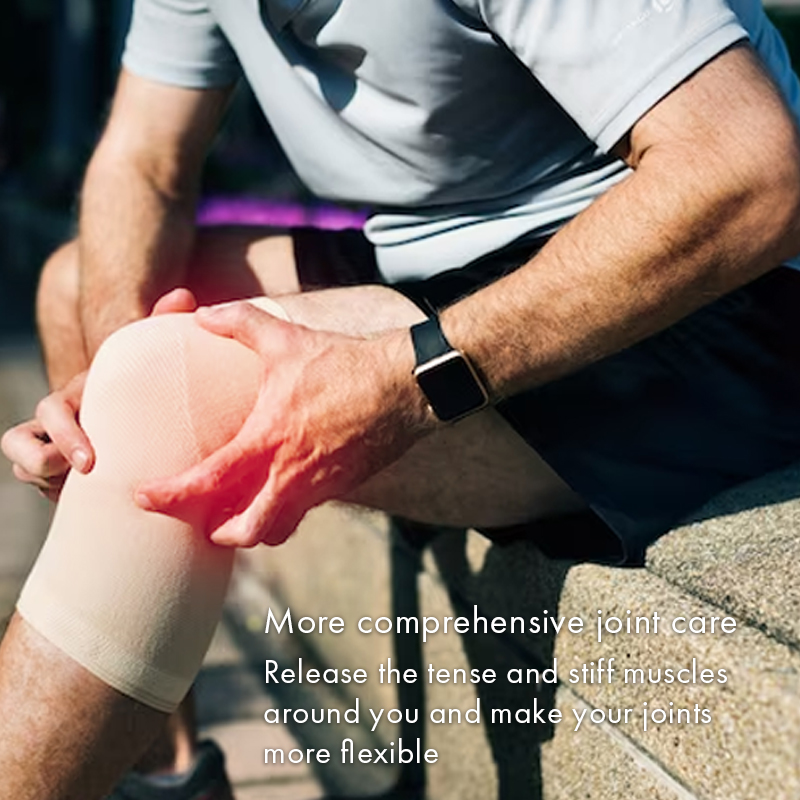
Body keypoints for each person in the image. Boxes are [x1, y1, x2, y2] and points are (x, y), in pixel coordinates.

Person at [4, 1, 800, 798]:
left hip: (710, 292)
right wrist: (105, 391)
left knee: (169, 388)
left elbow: (748, 172)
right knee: (82, 291)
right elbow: (142, 160)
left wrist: (410, 380)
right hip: (439, 257)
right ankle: (161, 775)